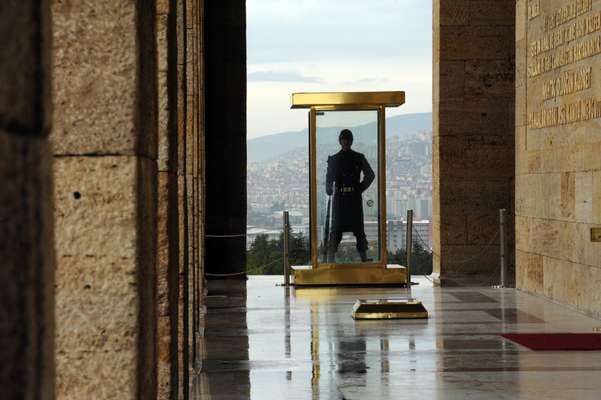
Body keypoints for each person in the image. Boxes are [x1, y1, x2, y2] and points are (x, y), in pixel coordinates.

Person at [325, 129, 375, 262]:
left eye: (348, 140)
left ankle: (363, 256)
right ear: (340, 141)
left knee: (359, 229)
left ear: (351, 141)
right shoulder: (334, 159)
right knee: (336, 230)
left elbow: (370, 175)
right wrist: (329, 188)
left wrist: (359, 189)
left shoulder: (359, 157)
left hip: (352, 199)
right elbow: (329, 179)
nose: (346, 142)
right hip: (341, 199)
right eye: (344, 140)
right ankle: (330, 257)